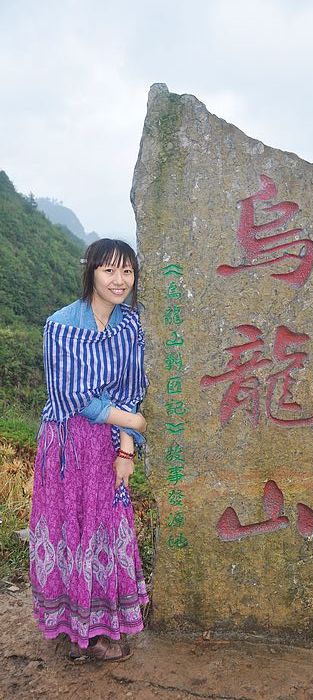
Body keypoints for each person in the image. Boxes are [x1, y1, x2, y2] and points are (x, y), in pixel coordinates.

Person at [29, 238, 149, 662]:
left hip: (109, 442)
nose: (119, 280)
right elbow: (73, 396)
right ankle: (79, 632)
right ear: (91, 272)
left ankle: (99, 625)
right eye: (109, 270)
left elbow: (132, 390)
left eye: (127, 271)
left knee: (106, 528)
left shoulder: (130, 325)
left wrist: (127, 450)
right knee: (71, 527)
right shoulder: (61, 325)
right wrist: (133, 422)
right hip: (69, 444)